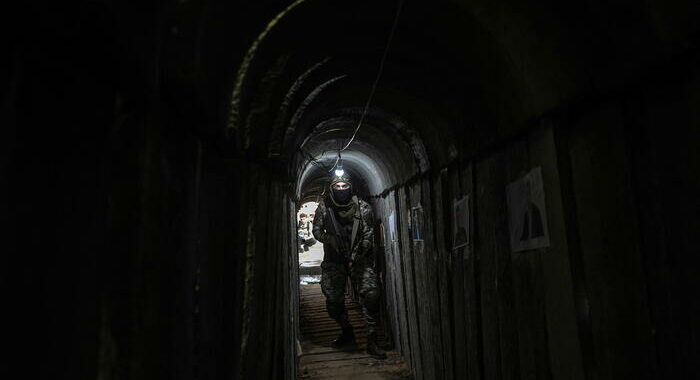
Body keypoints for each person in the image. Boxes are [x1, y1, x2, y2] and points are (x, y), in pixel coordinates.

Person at [312, 174, 386, 359]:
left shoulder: (363, 208)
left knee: (371, 295)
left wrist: (357, 254)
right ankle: (347, 331)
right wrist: (329, 239)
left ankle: (372, 338)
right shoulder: (324, 207)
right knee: (333, 302)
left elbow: (368, 234)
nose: (342, 189)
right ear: (332, 188)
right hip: (334, 260)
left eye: (345, 185)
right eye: (338, 186)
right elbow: (317, 230)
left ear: (351, 187)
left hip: (358, 258)